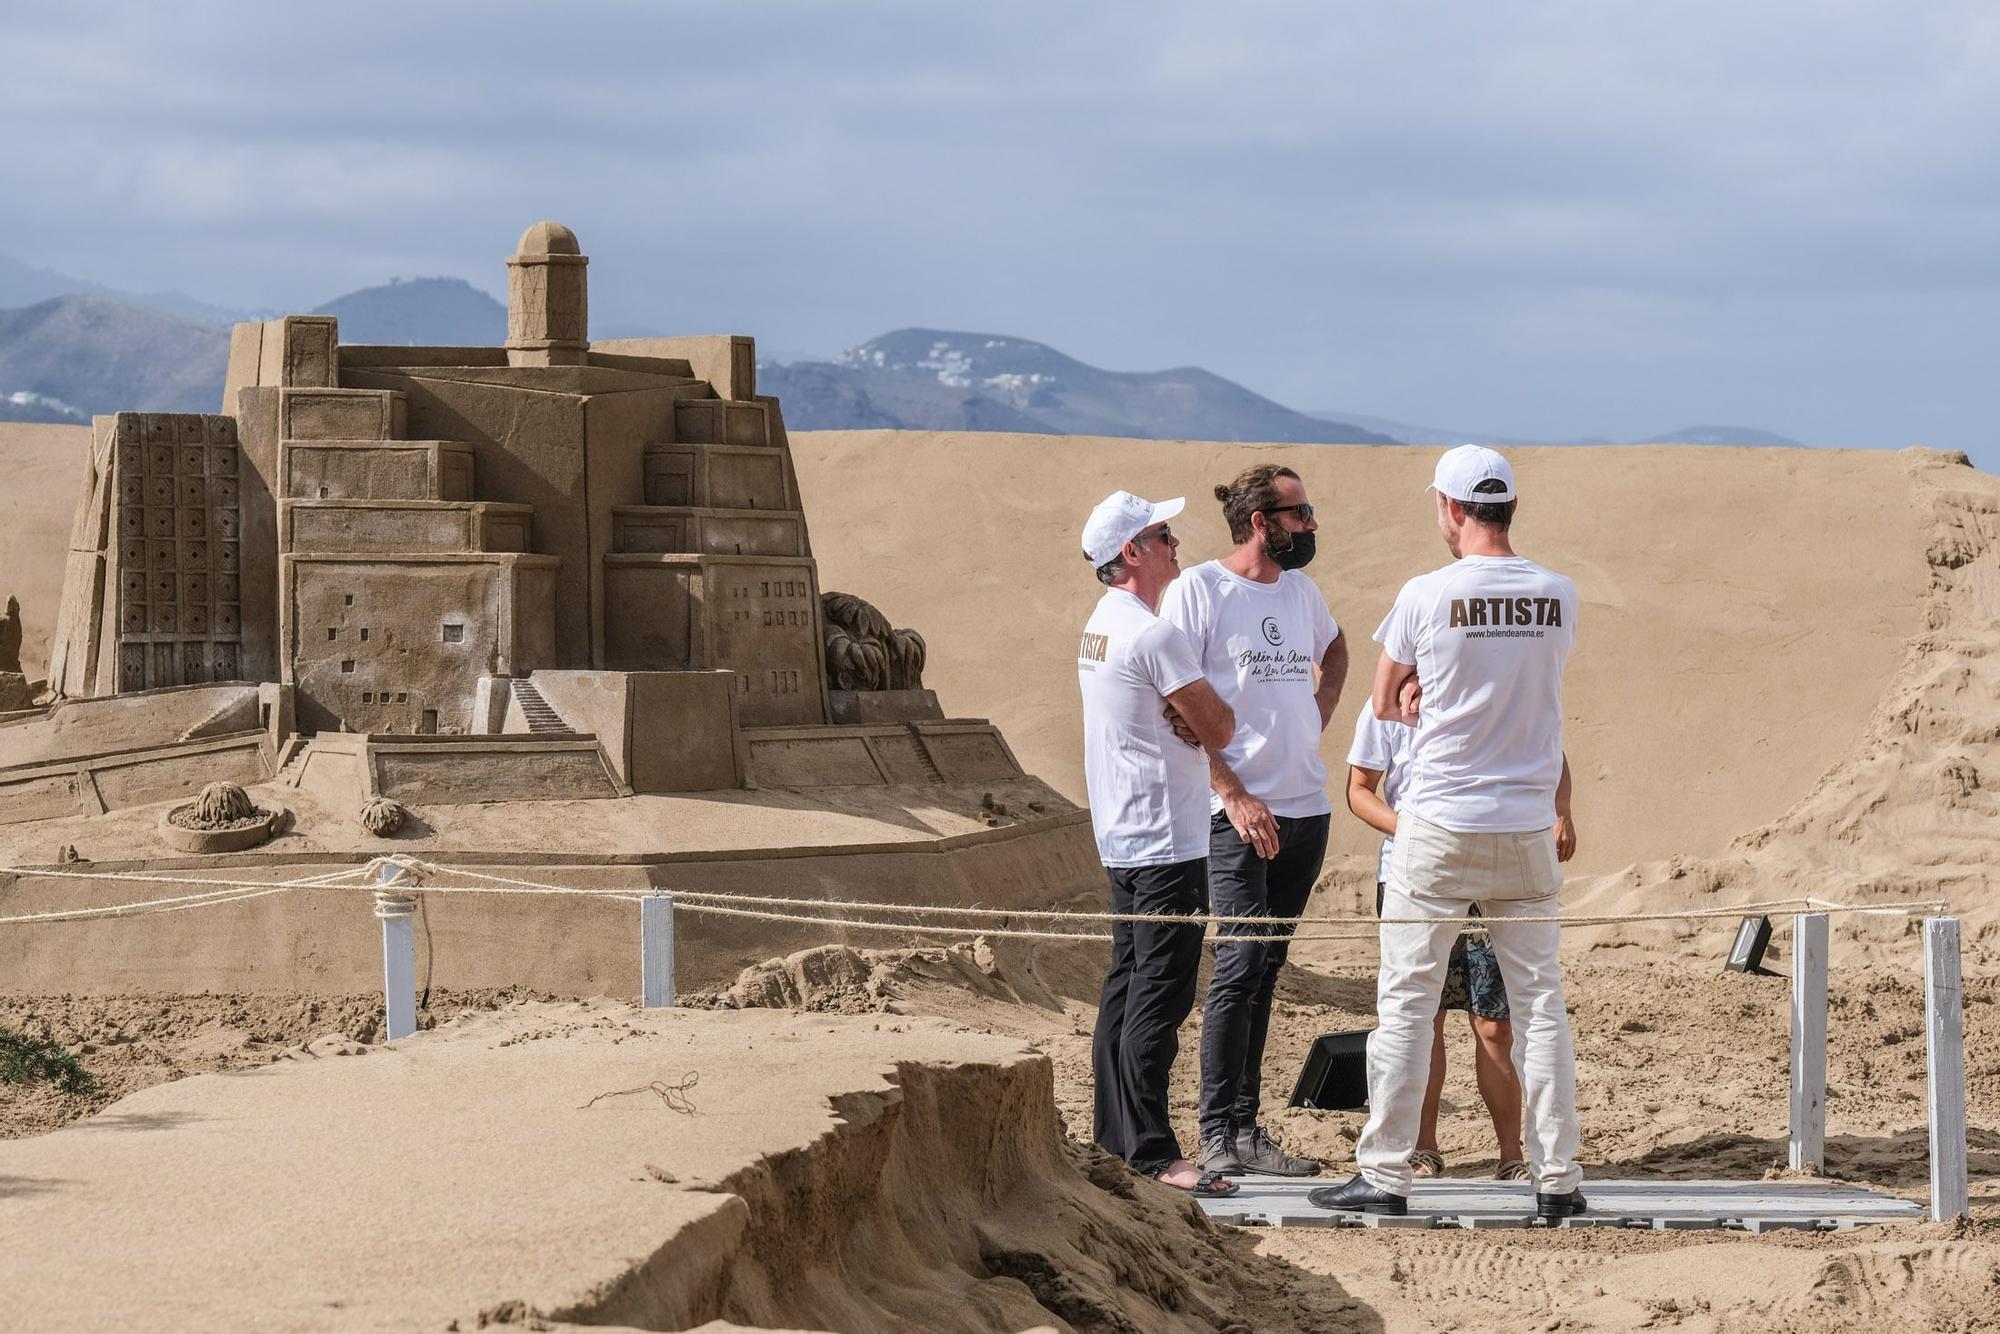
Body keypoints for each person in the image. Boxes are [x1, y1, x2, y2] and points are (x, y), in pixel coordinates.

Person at [1311, 444, 1586, 1222]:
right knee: (1539, 1005)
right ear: (1511, 508)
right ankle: (1557, 1177)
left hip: (1439, 822)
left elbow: (1388, 698)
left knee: (1407, 1002)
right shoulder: (1558, 593)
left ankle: (1387, 1175)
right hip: (1528, 821)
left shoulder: (1425, 595)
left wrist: (1426, 690)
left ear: (1451, 509)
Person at [1157, 463, 1347, 1178]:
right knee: (1236, 966)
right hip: (1236, 815)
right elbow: (1172, 702)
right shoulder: (1200, 591)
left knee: (1266, 970)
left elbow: (1336, 645)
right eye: (1301, 514)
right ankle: (1217, 1134)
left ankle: (1246, 1129)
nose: (1312, 526)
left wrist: (1315, 713)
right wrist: (1231, 791)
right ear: (1261, 522)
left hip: (1307, 807)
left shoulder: (1302, 592)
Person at [1076, 489, 1240, 1197]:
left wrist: (1183, 715)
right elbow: (1222, 726)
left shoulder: (1101, 624)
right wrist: (1194, 714)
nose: (1177, 542)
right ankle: (1149, 1151)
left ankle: (1115, 1138)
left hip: (1125, 830)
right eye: (1162, 533)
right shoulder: (1153, 633)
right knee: (1159, 996)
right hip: (1166, 839)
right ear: (1131, 554)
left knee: (1125, 986)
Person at [1347, 705, 1579, 1179]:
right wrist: (1413, 834)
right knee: (1419, 1014)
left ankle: (1513, 1155)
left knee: (1497, 1022)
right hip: (1415, 871)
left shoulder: (1487, 684)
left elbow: (1551, 754)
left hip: (1500, 869)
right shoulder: (1385, 709)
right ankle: (1420, 1149)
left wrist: (1561, 812)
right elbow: (1358, 790)